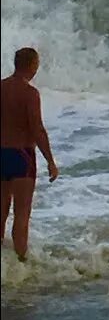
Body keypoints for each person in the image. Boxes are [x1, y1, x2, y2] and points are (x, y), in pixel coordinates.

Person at [1, 48, 59, 261]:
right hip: (21, 156)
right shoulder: (30, 94)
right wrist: (51, 161)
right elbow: (37, 129)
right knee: (21, 214)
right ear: (33, 66)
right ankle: (21, 263)